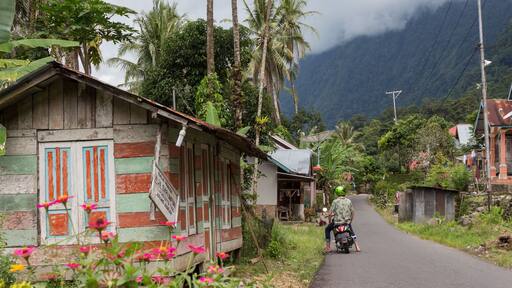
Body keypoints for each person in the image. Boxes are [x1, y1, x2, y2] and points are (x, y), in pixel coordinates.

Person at [324, 186, 361, 252]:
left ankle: (328, 247)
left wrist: (329, 220)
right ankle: (357, 247)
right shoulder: (348, 201)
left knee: (327, 229)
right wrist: (350, 221)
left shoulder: (335, 201)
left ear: (337, 193)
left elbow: (330, 213)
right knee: (351, 232)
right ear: (344, 192)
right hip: (346, 222)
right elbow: (353, 212)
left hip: (337, 223)